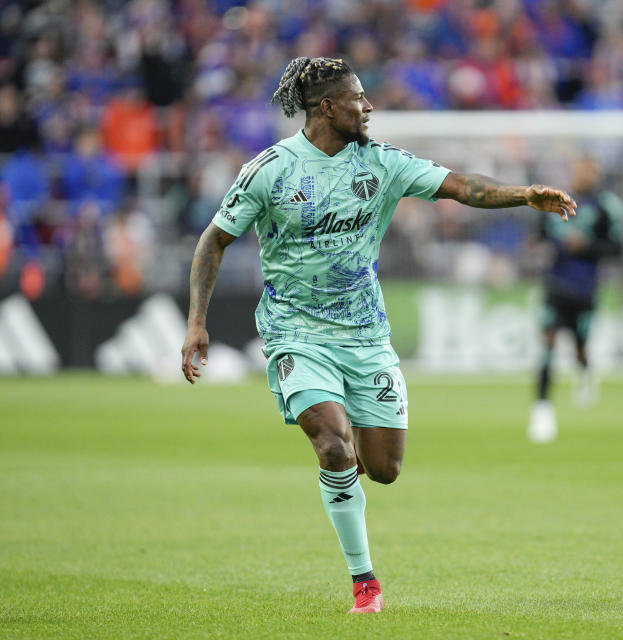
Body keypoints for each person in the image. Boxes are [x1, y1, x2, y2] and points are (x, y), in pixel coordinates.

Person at [179, 57, 576, 615]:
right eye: (358, 98)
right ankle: (365, 583)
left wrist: (522, 193)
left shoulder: (384, 164)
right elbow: (212, 241)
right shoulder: (269, 171)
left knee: (384, 469)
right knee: (334, 444)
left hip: (366, 335)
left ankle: (350, 466)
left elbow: (464, 187)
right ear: (327, 107)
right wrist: (197, 321)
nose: (368, 106)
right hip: (296, 333)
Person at [527, 156, 623, 444]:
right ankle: (542, 410)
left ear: (596, 174)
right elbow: (540, 235)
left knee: (580, 347)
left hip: (586, 289)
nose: (582, 175)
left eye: (588, 170)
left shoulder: (606, 206)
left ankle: (585, 371)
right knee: (547, 344)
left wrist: (587, 246)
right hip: (555, 285)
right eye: (578, 169)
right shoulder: (556, 201)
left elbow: (618, 246)